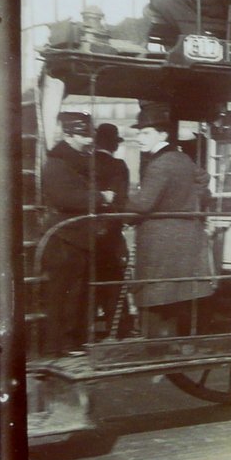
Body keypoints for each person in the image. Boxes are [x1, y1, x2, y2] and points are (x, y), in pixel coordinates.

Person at [126, 102, 215, 338]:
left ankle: (155, 346)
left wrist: (116, 201)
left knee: (155, 294)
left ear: (162, 134)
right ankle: (176, 341)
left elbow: (143, 204)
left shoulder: (159, 165)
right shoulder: (182, 158)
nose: (139, 138)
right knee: (178, 293)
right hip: (186, 239)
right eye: (138, 133)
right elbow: (204, 180)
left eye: (145, 133)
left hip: (160, 242)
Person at [40, 112, 116, 355]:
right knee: (64, 294)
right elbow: (64, 197)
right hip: (64, 238)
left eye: (88, 135)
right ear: (68, 135)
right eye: (83, 136)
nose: (88, 140)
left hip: (75, 237)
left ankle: (69, 341)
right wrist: (100, 197)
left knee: (74, 292)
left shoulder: (72, 161)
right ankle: (60, 345)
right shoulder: (58, 164)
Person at [93, 123, 134, 338]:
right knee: (114, 283)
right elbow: (121, 199)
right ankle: (118, 328)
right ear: (114, 145)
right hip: (111, 233)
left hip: (85, 232)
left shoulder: (85, 163)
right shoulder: (118, 166)